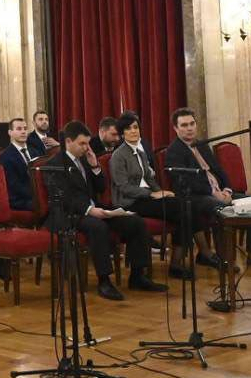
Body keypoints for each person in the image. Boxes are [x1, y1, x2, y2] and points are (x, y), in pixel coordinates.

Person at [41, 122, 164, 300]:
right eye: (82, 144)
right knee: (98, 227)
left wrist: (95, 167)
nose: (86, 148)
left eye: (87, 143)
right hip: (69, 214)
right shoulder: (55, 164)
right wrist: (90, 210)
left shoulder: (85, 159)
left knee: (136, 221)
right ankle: (104, 281)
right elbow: (64, 197)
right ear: (68, 141)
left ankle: (138, 276)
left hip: (94, 207)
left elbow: (100, 187)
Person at [163, 108, 251, 266]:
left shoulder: (202, 145)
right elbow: (186, 182)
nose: (189, 128)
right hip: (196, 197)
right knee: (220, 208)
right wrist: (213, 193)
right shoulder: (173, 152)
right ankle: (225, 259)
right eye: (184, 125)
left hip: (219, 192)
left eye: (192, 124)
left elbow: (219, 170)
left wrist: (227, 190)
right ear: (175, 128)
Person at [109, 112, 207, 276]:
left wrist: (160, 191)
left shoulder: (140, 153)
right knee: (181, 208)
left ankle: (179, 262)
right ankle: (182, 262)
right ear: (121, 133)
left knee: (185, 205)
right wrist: (150, 194)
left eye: (135, 127)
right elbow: (123, 187)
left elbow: (149, 178)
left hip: (147, 197)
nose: (133, 131)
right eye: (128, 129)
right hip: (130, 201)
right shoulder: (118, 156)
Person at [1, 117, 40, 212]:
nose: (23, 132)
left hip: (36, 195)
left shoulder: (35, 151)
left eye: (25, 128)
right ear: (10, 132)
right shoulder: (6, 157)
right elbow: (14, 186)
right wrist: (37, 195)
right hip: (20, 200)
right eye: (19, 129)